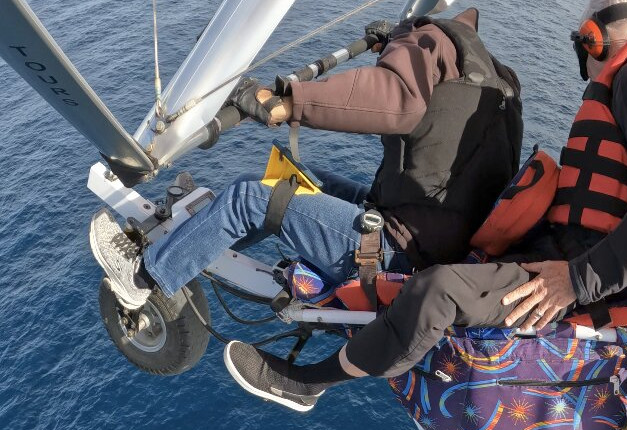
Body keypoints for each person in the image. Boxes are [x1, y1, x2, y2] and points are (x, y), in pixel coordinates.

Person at [222, 0, 627, 413]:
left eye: (581, 43)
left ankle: (307, 384)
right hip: (569, 252)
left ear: (594, 41)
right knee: (430, 268)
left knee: (438, 289)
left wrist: (577, 281)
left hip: (584, 271)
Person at [90, 8, 522, 311]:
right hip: (431, 234)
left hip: (398, 253)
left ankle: (141, 279)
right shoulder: (498, 79)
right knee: (293, 178)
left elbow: (395, 101)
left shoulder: (426, 42)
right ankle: (199, 242)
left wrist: (286, 103)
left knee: (250, 198)